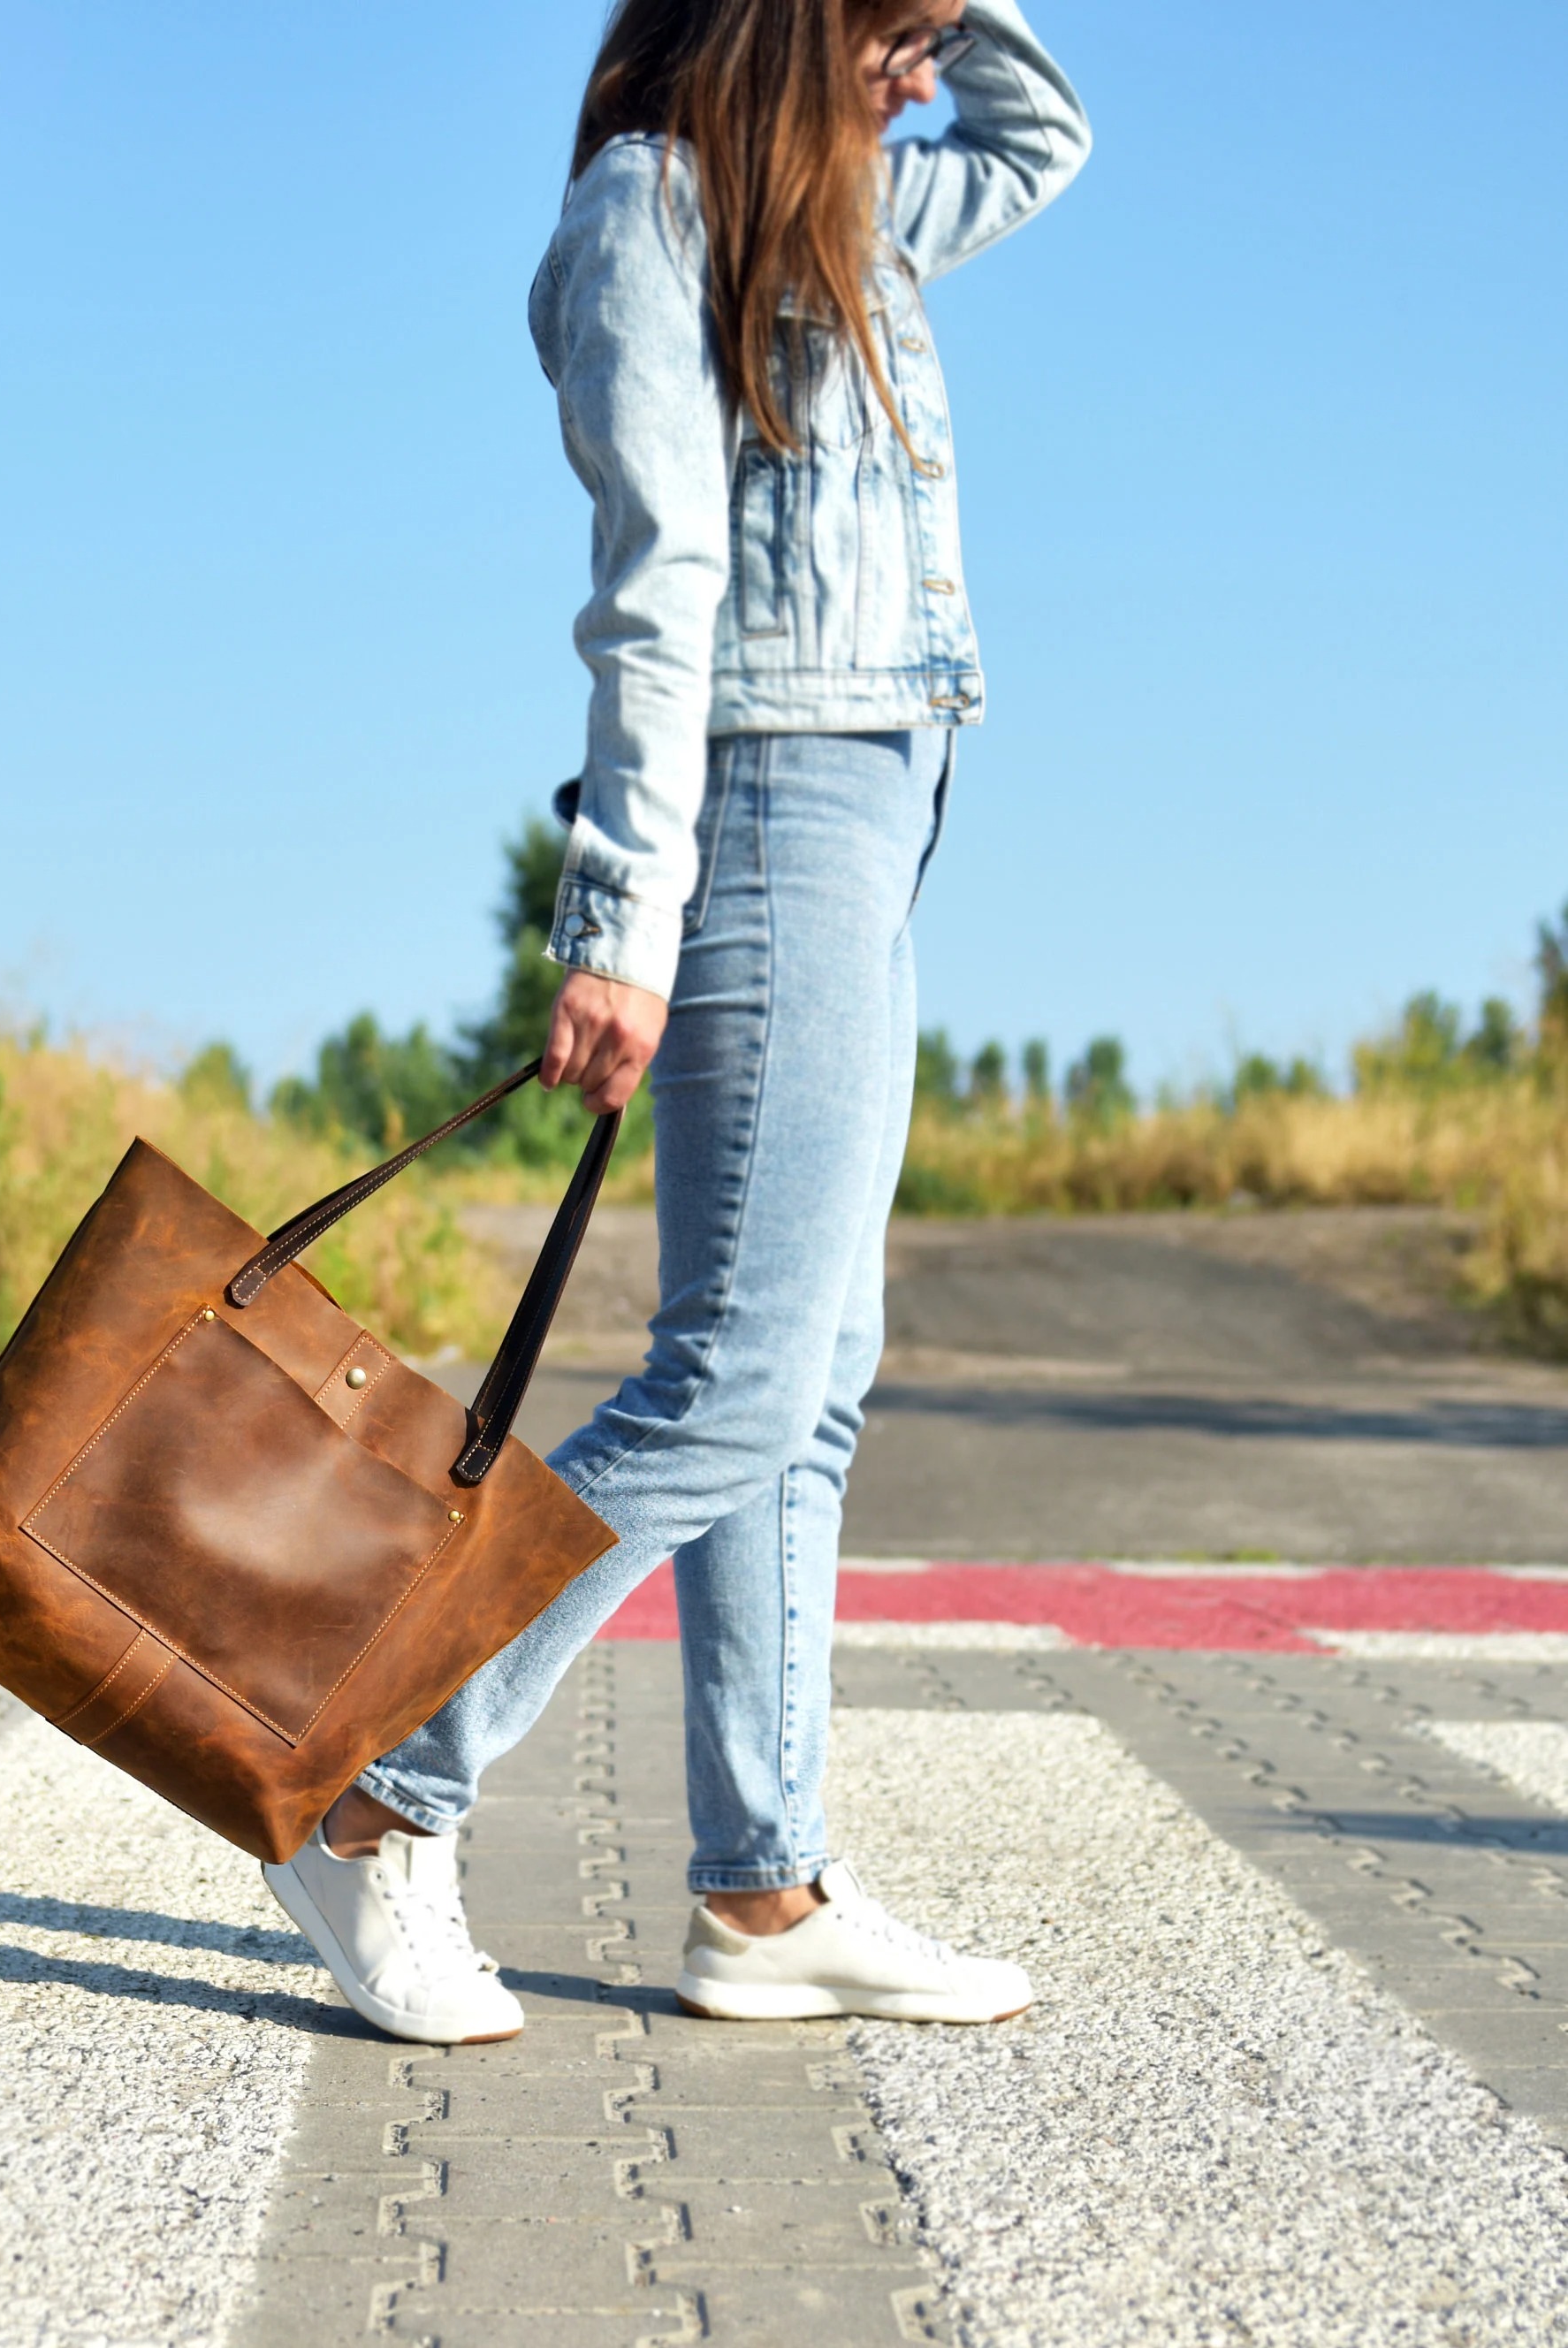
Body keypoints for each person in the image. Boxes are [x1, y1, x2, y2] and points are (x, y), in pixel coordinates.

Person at [263, 0, 1090, 2042]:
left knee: (810, 1383)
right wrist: (623, 914)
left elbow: (1045, 131)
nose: (926, 72)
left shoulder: (860, 215)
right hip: (767, 796)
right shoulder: (655, 211)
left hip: (885, 808)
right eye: (894, 32)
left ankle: (765, 1888)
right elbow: (660, 581)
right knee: (729, 1377)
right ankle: (374, 1798)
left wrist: (939, 16)